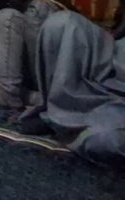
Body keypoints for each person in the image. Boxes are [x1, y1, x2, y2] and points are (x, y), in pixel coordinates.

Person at [19, 10, 125, 165]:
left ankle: (67, 122)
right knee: (62, 23)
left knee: (106, 140)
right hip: (114, 56)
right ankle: (59, 112)